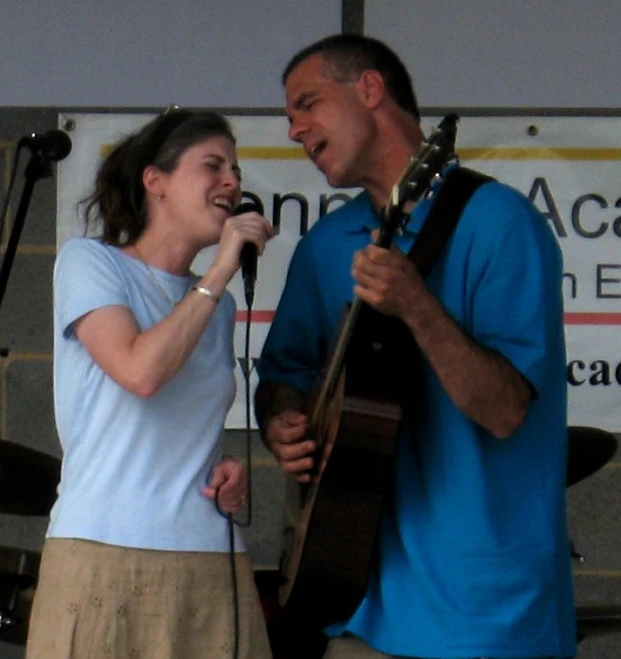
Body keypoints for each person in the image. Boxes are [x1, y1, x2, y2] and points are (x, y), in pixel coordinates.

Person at [255, 34, 576, 659]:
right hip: (357, 606)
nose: (295, 128)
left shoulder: (501, 223)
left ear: (370, 89)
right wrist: (282, 421)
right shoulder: (326, 245)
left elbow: (506, 410)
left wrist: (418, 307)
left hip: (489, 615)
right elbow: (282, 371)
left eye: (308, 103)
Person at [26, 110, 275, 659]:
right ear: (155, 181)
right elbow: (139, 372)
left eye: (235, 169)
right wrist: (216, 276)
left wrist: (224, 465)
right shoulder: (91, 263)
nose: (233, 182)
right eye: (213, 165)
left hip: (211, 556)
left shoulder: (219, 304)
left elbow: (175, 420)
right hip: (102, 549)